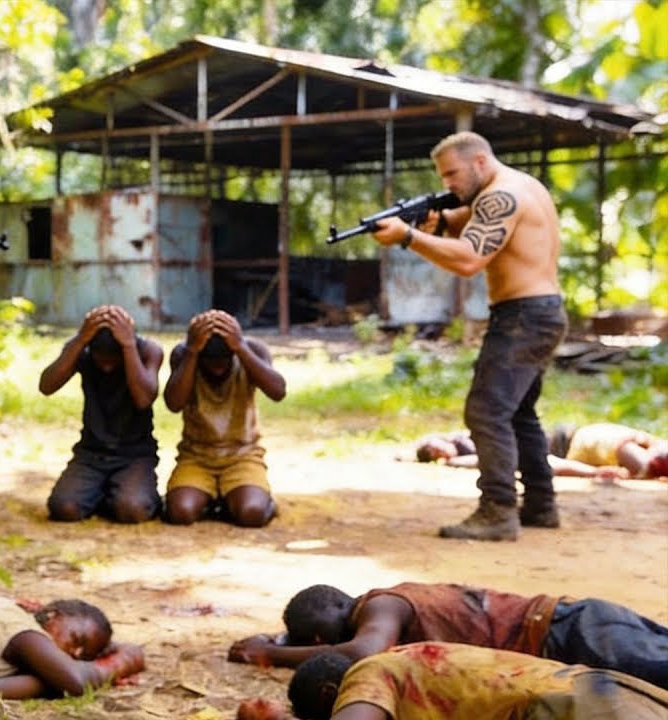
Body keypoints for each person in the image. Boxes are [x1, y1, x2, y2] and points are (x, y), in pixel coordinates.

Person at [370, 131, 567, 541]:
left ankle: (497, 511)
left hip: (523, 316)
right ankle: (541, 505)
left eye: (452, 174)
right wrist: (441, 221)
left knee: (486, 412)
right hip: (541, 311)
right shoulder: (520, 185)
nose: (448, 184)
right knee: (518, 413)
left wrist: (408, 236)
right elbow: (477, 220)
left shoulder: (500, 196)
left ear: (479, 161)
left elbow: (469, 259)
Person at [228, 582, 668, 690]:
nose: (323, 650)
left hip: (566, 631)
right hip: (578, 624)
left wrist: (271, 654)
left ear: (340, 609)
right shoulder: (388, 605)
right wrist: (276, 641)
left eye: (318, 640)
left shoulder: (382, 606)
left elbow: (363, 650)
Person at [287, 642, 668, 720]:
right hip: (594, 688)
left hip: (564, 706)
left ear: (332, 693)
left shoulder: (370, 671)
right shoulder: (414, 663)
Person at [38, 305, 164, 523]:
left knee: (132, 509)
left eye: (113, 360)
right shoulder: (81, 349)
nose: (107, 367)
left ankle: (124, 492)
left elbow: (144, 399)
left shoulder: (147, 350)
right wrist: (80, 340)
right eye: (101, 359)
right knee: (64, 508)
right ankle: (105, 491)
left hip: (134, 455)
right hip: (91, 454)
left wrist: (128, 346)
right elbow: (46, 386)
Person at [162, 309, 286, 527]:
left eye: (224, 360)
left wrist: (240, 348)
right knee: (180, 512)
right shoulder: (185, 354)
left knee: (252, 513)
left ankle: (246, 500)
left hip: (243, 455)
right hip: (196, 457)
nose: (218, 369)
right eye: (210, 361)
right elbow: (174, 404)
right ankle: (214, 500)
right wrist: (192, 353)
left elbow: (278, 391)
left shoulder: (252, 349)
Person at [0, 594, 145, 699]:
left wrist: (48, 679)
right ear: (52, 615)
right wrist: (124, 660)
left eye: (83, 656)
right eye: (76, 639)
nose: (75, 653)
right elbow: (77, 681)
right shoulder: (23, 630)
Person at [412, 430, 637, 480]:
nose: (437, 450)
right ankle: (599, 472)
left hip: (561, 438)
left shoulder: (463, 436)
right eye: (432, 454)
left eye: (434, 445)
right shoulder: (461, 458)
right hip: (554, 450)